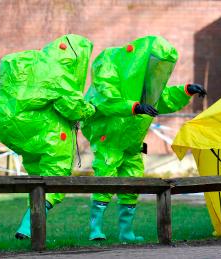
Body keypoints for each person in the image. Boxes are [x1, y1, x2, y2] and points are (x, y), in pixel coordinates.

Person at [82, 35, 206, 242]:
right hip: (110, 140)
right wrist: (134, 107)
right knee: (105, 181)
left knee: (133, 184)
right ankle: (95, 229)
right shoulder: (112, 66)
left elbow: (163, 99)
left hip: (133, 145)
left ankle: (126, 232)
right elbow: (106, 100)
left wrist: (186, 90)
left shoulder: (147, 86)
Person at [0, 34, 96, 239]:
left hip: (4, 121)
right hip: (32, 122)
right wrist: (90, 109)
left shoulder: (32, 63)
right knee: (57, 166)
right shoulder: (57, 71)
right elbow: (73, 108)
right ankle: (30, 224)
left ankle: (29, 222)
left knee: (37, 169)